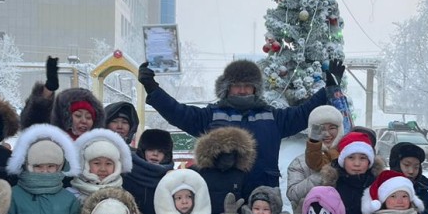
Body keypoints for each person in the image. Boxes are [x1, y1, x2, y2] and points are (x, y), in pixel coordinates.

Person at [137, 57, 338, 194]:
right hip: (221, 198)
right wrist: (152, 89)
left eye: (247, 85)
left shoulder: (272, 116)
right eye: (237, 85)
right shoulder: (211, 116)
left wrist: (328, 88)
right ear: (227, 88)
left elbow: (304, 113)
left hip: (263, 197)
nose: (242, 90)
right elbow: (178, 112)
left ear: (255, 88)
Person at [285, 104, 346, 214]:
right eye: (321, 128)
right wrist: (324, 174)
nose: (327, 133)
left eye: (332, 128)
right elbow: (293, 194)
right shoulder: (299, 162)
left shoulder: (349, 159)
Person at [21, 56, 104, 140]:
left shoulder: (100, 144)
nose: (83, 121)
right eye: (78, 115)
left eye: (88, 117)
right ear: (65, 117)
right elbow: (34, 125)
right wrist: (49, 89)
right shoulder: (53, 140)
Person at [193, 126, 256, 214]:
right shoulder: (200, 173)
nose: (228, 157)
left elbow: (249, 204)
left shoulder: (242, 175)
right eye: (224, 152)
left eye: (232, 153)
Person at [124, 127, 173, 214]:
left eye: (161, 151)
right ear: (143, 150)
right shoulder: (128, 173)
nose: (155, 154)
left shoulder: (171, 177)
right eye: (150, 149)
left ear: (167, 154)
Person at [70, 128, 134, 202]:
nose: (103, 169)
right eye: (97, 163)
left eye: (108, 164)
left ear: (116, 166)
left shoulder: (124, 197)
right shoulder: (71, 195)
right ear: (86, 165)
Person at [389, 140, 428, 208]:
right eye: (406, 165)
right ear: (395, 164)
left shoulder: (424, 196)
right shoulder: (381, 191)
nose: (411, 171)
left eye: (416, 167)